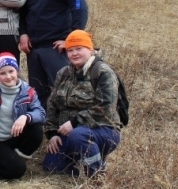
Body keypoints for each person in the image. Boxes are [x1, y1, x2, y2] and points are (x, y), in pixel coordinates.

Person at [19, 0, 89, 108]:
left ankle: (68, 131)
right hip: (34, 50)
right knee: (39, 93)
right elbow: (22, 12)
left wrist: (71, 41)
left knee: (64, 91)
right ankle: (45, 130)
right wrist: (23, 33)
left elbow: (79, 7)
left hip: (56, 47)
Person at [43, 30, 122, 180]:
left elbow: (106, 107)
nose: (74, 53)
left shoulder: (103, 72)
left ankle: (96, 175)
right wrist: (52, 133)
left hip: (103, 130)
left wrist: (75, 122)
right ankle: (84, 162)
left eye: (79, 49)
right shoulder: (64, 73)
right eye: (70, 50)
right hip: (69, 132)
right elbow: (52, 104)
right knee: (51, 166)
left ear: (90, 50)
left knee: (78, 135)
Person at [0, 53, 45, 181]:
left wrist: (26, 117)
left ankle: (14, 160)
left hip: (15, 136)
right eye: (3, 73)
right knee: (18, 170)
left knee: (37, 130)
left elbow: (41, 113)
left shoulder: (28, 92)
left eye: (11, 71)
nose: (8, 76)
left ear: (17, 71)